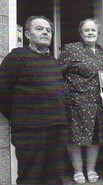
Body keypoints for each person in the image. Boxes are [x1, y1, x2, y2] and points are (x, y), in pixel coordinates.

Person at [0, 16, 68, 184]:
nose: (45, 32)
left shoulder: (53, 61)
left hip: (57, 128)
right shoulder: (17, 57)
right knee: (30, 178)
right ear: (28, 35)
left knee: (55, 178)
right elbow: (2, 91)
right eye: (39, 29)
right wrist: (20, 116)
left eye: (48, 30)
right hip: (30, 130)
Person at [59, 18, 103, 184]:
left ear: (98, 33)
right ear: (81, 34)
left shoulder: (101, 52)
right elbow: (58, 73)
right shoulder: (71, 49)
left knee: (95, 137)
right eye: (86, 30)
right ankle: (78, 171)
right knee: (74, 137)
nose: (90, 33)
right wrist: (66, 94)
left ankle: (91, 169)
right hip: (75, 101)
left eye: (93, 30)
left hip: (96, 102)